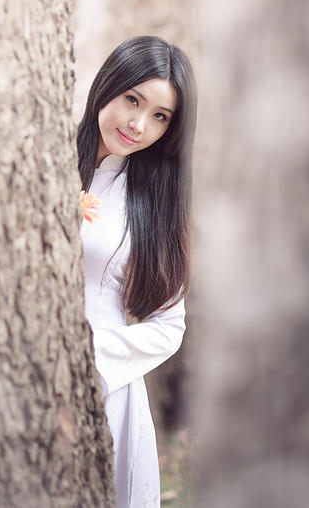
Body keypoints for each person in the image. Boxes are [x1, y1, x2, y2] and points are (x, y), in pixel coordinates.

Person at [78, 35, 197, 508]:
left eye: (159, 116)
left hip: (106, 383)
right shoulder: (44, 160)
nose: (138, 124)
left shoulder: (153, 204)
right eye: (133, 99)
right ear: (110, 82)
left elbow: (169, 328)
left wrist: (86, 357)